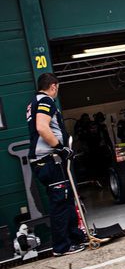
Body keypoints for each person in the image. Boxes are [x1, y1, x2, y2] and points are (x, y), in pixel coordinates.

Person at [26, 73, 86, 256]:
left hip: (51, 161)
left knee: (66, 200)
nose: (56, 91)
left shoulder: (34, 102)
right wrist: (60, 148)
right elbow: (42, 128)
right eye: (57, 88)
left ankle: (75, 238)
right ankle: (62, 247)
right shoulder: (45, 100)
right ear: (53, 86)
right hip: (48, 161)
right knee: (60, 203)